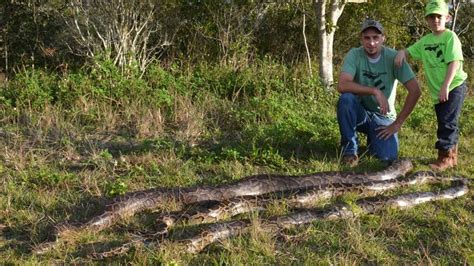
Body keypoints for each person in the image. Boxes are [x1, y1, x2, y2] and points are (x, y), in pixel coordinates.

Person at [395, 0, 468, 171]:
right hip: (438, 90)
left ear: (447, 17)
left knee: (447, 122)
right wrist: (401, 52)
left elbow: (454, 63)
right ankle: (452, 155)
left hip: (454, 85)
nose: (435, 20)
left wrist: (446, 86)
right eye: (431, 17)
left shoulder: (450, 37)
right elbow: (410, 51)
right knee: (447, 121)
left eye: (438, 16)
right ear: (426, 20)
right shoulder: (425, 40)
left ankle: (445, 157)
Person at [337, 19, 421, 167]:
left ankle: (374, 139)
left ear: (383, 38)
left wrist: (397, 124)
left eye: (376, 37)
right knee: (346, 99)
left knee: (387, 158)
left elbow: (415, 90)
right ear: (361, 39)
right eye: (367, 38)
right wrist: (375, 91)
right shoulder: (354, 54)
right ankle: (350, 150)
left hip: (383, 116)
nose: (371, 43)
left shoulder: (393, 57)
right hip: (361, 112)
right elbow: (342, 85)